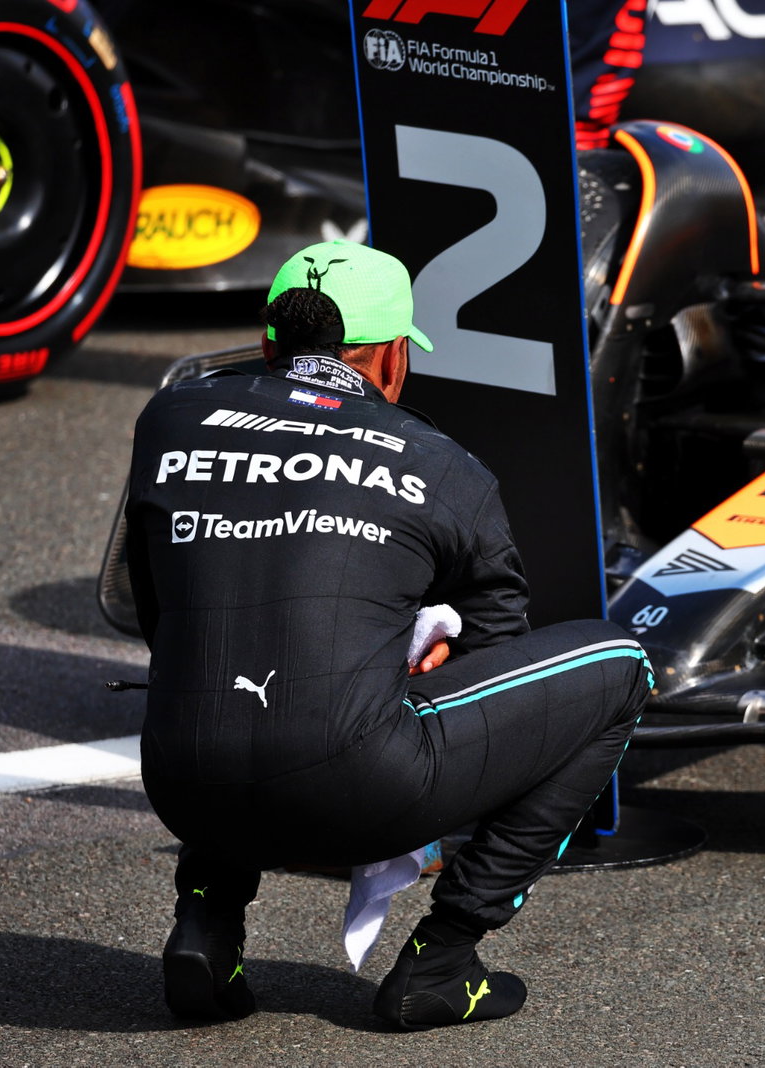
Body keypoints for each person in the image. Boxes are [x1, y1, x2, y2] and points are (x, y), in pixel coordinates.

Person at [123, 239, 651, 1030]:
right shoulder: (445, 466)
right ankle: (444, 957)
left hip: (181, 782)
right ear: (390, 358)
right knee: (622, 662)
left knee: (237, 641)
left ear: (270, 341)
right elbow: (496, 659)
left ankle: (207, 921)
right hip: (357, 793)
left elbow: (158, 612)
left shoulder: (171, 415)